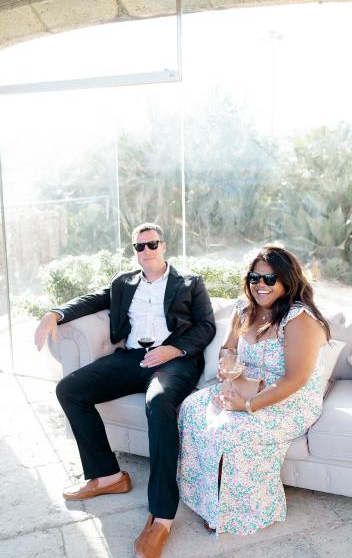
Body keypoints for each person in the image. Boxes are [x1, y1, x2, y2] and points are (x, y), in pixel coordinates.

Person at [34, 222, 216, 558]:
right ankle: (107, 475)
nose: (145, 251)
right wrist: (54, 313)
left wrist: (173, 350)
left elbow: (206, 326)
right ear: (134, 250)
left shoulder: (189, 283)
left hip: (173, 360)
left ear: (164, 246)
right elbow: (92, 300)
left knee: (160, 402)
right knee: (70, 389)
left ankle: (161, 516)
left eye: (152, 244)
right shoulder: (124, 283)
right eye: (139, 246)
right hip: (133, 358)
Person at [177, 246, 330, 535]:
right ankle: (207, 498)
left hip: (289, 399)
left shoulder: (299, 319)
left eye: (270, 279)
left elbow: (294, 380)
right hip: (245, 384)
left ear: (287, 281)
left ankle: (236, 509)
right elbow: (228, 349)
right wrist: (226, 366)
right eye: (254, 278)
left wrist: (247, 406)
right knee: (192, 408)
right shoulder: (244, 309)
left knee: (229, 428)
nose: (260, 285)